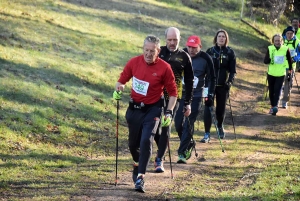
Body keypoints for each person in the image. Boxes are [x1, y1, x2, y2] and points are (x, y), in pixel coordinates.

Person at [113, 35, 178, 193]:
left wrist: (168, 112)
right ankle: (137, 164)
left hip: (153, 109)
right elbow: (121, 81)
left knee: (146, 140)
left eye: (152, 51)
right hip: (134, 110)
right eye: (146, 50)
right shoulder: (134, 62)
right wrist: (118, 89)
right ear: (143, 49)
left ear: (158, 51)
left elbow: (173, 93)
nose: (148, 54)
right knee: (132, 145)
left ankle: (141, 177)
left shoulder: (164, 68)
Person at [153, 27, 194, 172]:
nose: (172, 42)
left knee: (166, 126)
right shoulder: (158, 52)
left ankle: (159, 159)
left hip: (173, 97)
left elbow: (189, 81)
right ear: (165, 39)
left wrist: (188, 103)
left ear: (179, 39)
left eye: (175, 40)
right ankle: (161, 151)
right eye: (169, 40)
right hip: (155, 96)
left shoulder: (184, 57)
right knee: (155, 128)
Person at [174, 35, 215, 163]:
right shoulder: (182, 54)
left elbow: (211, 78)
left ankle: (182, 153)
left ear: (200, 47)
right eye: (189, 47)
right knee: (178, 122)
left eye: (194, 47)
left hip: (196, 95)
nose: (191, 50)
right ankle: (189, 141)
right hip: (182, 93)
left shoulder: (206, 58)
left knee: (188, 122)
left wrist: (209, 94)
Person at [200, 29, 236, 143]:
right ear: (216, 38)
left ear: (226, 39)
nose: (221, 38)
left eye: (223, 37)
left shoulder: (230, 52)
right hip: (208, 85)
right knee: (207, 107)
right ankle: (207, 133)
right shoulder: (210, 51)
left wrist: (229, 82)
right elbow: (203, 67)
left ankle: (220, 126)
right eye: (219, 36)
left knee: (220, 110)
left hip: (222, 85)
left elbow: (233, 71)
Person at [264, 34, 293, 115]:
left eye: (279, 41)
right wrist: (269, 59)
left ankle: (275, 107)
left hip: (281, 74)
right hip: (271, 73)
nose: (277, 42)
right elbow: (265, 61)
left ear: (282, 41)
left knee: (277, 90)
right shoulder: (270, 48)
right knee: (271, 90)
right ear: (273, 41)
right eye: (276, 41)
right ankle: (272, 106)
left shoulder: (285, 49)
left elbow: (290, 61)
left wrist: (290, 72)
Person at [281, 26, 300, 108]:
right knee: (280, 82)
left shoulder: (297, 41)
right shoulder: (282, 40)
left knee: (288, 83)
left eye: (291, 33)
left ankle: (284, 101)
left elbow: (299, 54)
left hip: (290, 66)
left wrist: (295, 59)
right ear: (285, 34)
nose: (289, 35)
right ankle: (277, 98)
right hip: (280, 66)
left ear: (293, 34)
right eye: (288, 33)